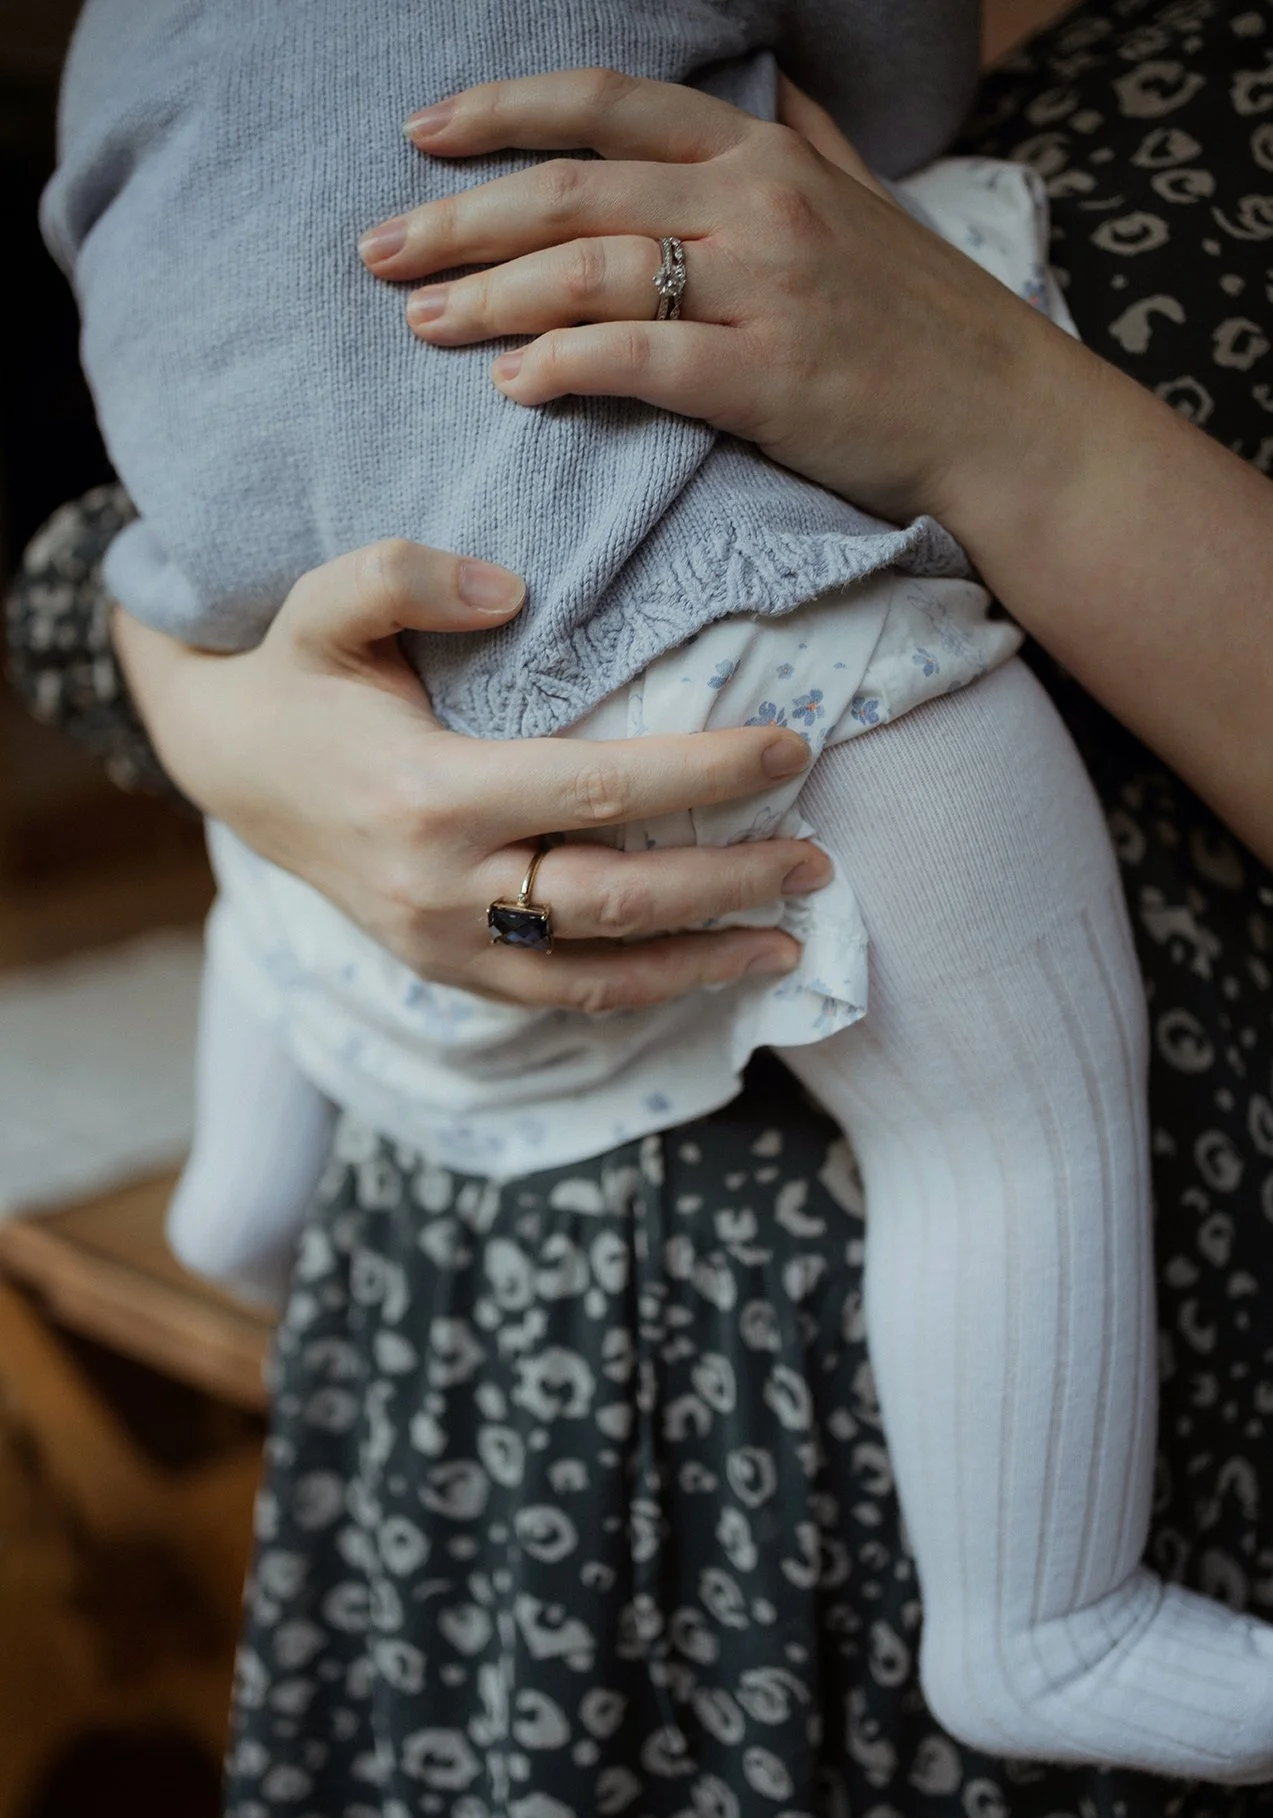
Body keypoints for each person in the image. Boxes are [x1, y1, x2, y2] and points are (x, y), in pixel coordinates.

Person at [8, 0, 1272, 1810]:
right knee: (1007, 1107)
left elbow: (127, 287)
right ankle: (1044, 1616)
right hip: (524, 1351)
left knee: (269, 900)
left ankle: (238, 1208)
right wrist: (254, 743)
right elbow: (70, 595)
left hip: (370, 639)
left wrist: (1001, 409)